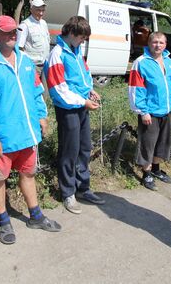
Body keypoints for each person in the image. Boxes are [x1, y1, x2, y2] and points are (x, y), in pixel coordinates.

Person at [0, 15, 61, 245]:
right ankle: (3, 220)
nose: (12, 35)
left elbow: (37, 91)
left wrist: (42, 116)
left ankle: (35, 215)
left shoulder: (26, 61)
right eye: (7, 31)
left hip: (27, 134)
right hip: (3, 138)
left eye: (15, 31)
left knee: (28, 174)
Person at [45, 16, 105, 214]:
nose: (83, 41)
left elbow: (84, 74)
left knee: (84, 148)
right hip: (68, 108)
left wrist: (90, 90)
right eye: (82, 37)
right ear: (71, 33)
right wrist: (83, 101)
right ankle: (68, 192)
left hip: (82, 106)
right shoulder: (57, 54)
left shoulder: (76, 51)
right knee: (69, 150)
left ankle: (83, 187)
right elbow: (59, 88)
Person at [129, 32, 171, 191]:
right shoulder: (141, 62)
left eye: (161, 42)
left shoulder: (169, 61)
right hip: (150, 112)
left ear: (165, 44)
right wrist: (142, 111)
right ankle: (146, 174)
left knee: (162, 144)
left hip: (166, 111)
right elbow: (136, 89)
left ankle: (156, 169)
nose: (158, 45)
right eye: (154, 42)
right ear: (149, 43)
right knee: (148, 145)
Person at [17, 0, 50, 67]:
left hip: (46, 64)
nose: (41, 13)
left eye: (43, 10)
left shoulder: (44, 23)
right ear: (31, 10)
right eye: (38, 10)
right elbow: (19, 47)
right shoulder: (24, 25)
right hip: (32, 65)